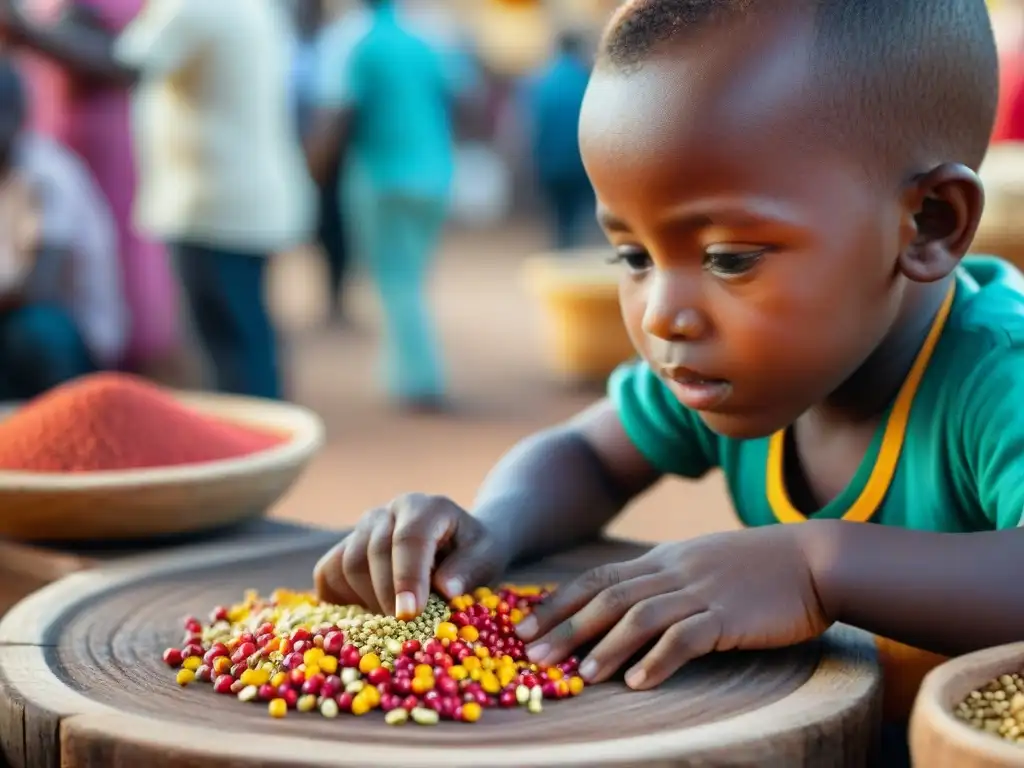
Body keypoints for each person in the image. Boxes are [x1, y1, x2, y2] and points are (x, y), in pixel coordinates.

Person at [312, 0, 1021, 761]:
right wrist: (494, 528)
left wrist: (816, 567)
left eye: (729, 259)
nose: (663, 315)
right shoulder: (747, 364)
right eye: (633, 257)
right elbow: (585, 455)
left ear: (930, 224)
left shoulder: (996, 373)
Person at [1, 0, 317, 400]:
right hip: (249, 196)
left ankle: (253, 440)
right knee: (246, 333)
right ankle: (263, 428)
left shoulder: (190, 8)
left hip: (213, 203)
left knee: (227, 342)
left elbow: (124, 67)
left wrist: (28, 32)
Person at [12, 0, 187, 385]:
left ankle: (122, 380)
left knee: (113, 263)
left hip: (107, 143)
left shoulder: (45, 173)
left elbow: (125, 65)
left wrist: (32, 33)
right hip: (65, 129)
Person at [306, 0, 466, 413]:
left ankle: (420, 380)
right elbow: (461, 100)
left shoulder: (358, 43)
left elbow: (342, 112)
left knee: (396, 281)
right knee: (411, 278)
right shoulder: (426, 41)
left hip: (383, 178)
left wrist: (314, 167)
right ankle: (400, 370)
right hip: (435, 173)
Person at [0, 56, 125, 399]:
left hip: (72, 340)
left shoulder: (47, 173)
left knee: (35, 329)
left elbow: (39, 287)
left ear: (19, 114)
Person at [290, 0, 353, 327]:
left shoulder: (334, 46)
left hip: (332, 155)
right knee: (310, 229)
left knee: (334, 229)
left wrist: (321, 153)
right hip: (299, 152)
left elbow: (338, 109)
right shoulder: (288, 48)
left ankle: (336, 299)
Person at [523, 30, 596, 251]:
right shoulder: (586, 80)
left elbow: (532, 125)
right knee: (576, 215)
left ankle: (562, 248)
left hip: (550, 162)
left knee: (558, 215)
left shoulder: (543, 80)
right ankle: (572, 249)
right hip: (579, 160)